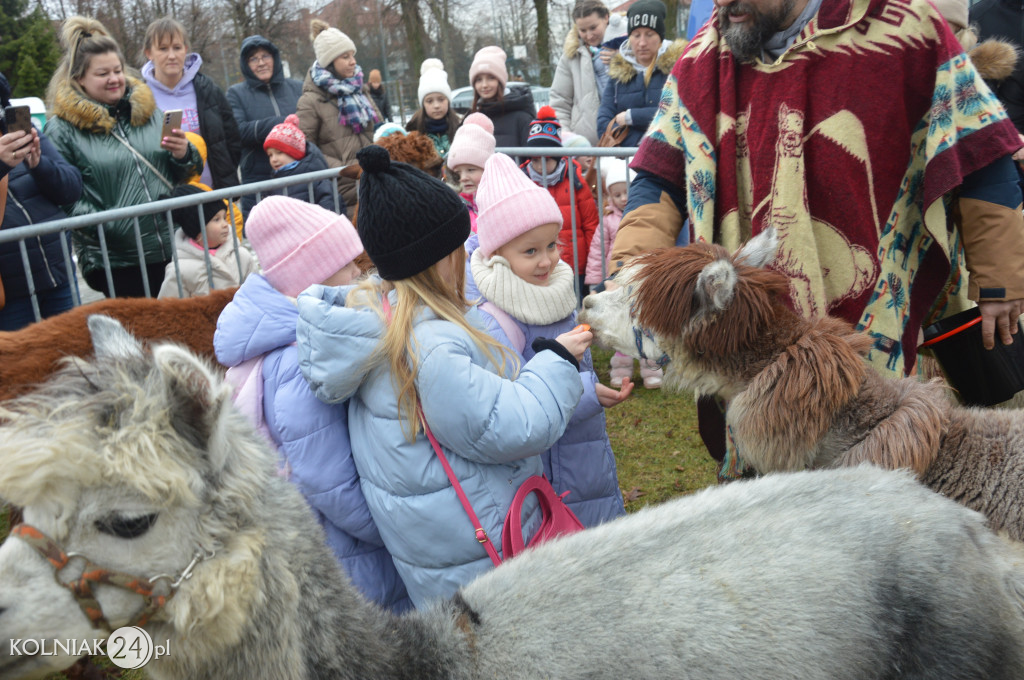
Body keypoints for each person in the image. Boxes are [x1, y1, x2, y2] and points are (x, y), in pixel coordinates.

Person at [607, 0, 1024, 477]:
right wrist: (630, 268)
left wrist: (1001, 282)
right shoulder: (703, 59)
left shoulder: (907, 32)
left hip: (871, 327)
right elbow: (657, 174)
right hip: (746, 342)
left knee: (878, 478)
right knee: (765, 490)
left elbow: (982, 150)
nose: (723, 3)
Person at [296, 145, 589, 607]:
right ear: (437, 260)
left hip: (441, 559)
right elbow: (513, 425)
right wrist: (557, 360)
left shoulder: (377, 323)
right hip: (487, 568)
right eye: (459, 248)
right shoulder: (429, 347)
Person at [214, 195, 411, 612]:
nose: (361, 272)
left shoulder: (304, 339)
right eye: (348, 265)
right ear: (315, 278)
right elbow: (328, 480)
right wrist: (395, 529)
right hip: (346, 546)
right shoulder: (297, 362)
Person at [468, 152, 629, 527]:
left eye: (552, 245)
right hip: (547, 474)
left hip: (582, 455)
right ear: (496, 255)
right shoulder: (493, 316)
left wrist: (590, 389)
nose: (547, 261)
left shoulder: (555, 291)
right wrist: (583, 392)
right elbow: (514, 401)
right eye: (530, 251)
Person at [44, 16, 202, 298]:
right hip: (119, 259)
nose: (115, 79)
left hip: (173, 245)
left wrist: (183, 154)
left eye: (117, 70)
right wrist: (113, 226)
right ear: (79, 78)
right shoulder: (62, 129)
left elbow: (183, 172)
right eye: (103, 74)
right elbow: (65, 196)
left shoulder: (148, 111)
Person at [0, 71, 83, 330]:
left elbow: (72, 188)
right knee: (21, 368)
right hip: (10, 292)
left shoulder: (17, 124)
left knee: (73, 361)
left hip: (58, 278)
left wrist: (38, 165)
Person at [584, 158, 663, 389]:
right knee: (619, 326)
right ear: (609, 196)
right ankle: (621, 369)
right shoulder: (606, 222)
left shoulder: (646, 218)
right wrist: (594, 281)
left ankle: (651, 368)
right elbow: (598, 253)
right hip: (615, 282)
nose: (623, 198)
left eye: (626, 192)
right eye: (617, 194)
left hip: (642, 282)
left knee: (646, 325)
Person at [141, 17, 241, 191]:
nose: (171, 55)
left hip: (214, 195)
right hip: (168, 199)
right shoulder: (140, 97)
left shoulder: (207, 89)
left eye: (177, 48)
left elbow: (232, 138)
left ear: (185, 50)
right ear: (149, 53)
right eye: (163, 49)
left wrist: (224, 178)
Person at [298, 19, 381, 216]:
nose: (353, 61)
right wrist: (346, 169)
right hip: (342, 191)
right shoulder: (310, 101)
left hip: (374, 182)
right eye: (345, 57)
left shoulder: (360, 89)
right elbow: (306, 150)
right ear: (329, 63)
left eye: (353, 55)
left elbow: (378, 127)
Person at [520, 107, 599, 300]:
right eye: (536, 160)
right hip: (538, 266)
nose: (540, 167)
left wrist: (591, 265)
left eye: (547, 160)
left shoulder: (576, 181)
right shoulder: (522, 181)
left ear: (557, 157)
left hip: (574, 265)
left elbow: (591, 225)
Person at [225, 35, 303, 217]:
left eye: (265, 56)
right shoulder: (236, 94)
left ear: (275, 58)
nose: (261, 63)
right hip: (259, 182)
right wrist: (282, 124)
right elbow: (239, 131)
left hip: (300, 177)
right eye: (253, 59)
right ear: (246, 64)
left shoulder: (297, 88)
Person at [597, 0, 687, 148]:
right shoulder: (618, 73)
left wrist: (630, 117)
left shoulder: (679, 68)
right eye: (636, 35)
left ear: (660, 37)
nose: (642, 43)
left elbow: (678, 113)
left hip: (669, 158)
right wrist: (636, 145)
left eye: (649, 34)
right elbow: (603, 121)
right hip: (624, 162)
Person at [157, 184, 257, 299]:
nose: (225, 224)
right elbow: (169, 310)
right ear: (198, 230)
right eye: (216, 220)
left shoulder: (241, 256)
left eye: (224, 218)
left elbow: (258, 293)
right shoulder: (181, 270)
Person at [549, 0, 612, 145]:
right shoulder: (570, 57)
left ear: (606, 18)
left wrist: (621, 60)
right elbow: (560, 101)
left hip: (626, 140)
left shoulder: (630, 46)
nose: (589, 35)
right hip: (585, 148)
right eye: (583, 30)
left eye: (593, 27)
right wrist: (568, 138)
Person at [263, 114, 341, 212]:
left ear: (295, 153)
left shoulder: (317, 179)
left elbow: (329, 210)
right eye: (270, 155)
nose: (274, 159)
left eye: (279, 153)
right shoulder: (273, 183)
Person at [466, 46, 535, 148]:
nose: (484, 85)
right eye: (479, 79)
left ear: (501, 81)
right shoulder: (471, 118)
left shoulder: (522, 118)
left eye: (491, 78)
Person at [446, 112, 495, 233]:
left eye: (471, 170)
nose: (463, 178)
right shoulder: (455, 205)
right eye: (458, 172)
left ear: (487, 169)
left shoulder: (498, 201)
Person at [405, 58, 460, 160]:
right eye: (429, 101)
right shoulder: (413, 133)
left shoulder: (461, 127)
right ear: (423, 104)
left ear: (448, 100)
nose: (436, 105)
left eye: (441, 99)